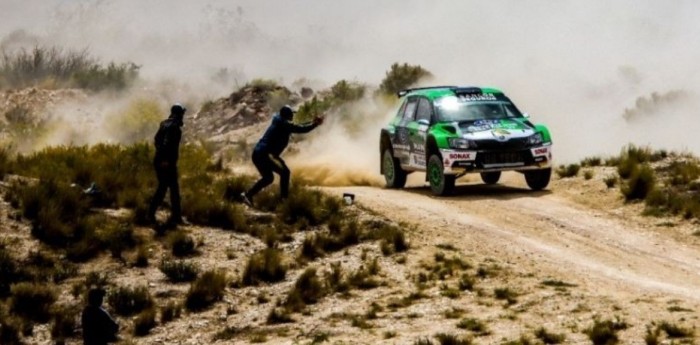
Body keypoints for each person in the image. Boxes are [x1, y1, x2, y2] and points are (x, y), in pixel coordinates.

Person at [241, 105, 324, 206]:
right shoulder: (284, 124)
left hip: (259, 153)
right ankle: (284, 201)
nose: (292, 116)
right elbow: (300, 129)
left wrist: (313, 122)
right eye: (291, 114)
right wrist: (315, 124)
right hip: (266, 155)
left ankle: (248, 195)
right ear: (287, 115)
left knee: (268, 178)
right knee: (285, 173)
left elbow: (297, 126)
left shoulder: (280, 122)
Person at [148, 104, 186, 225]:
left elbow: (156, 140)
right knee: (165, 189)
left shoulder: (164, 124)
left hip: (160, 160)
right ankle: (151, 215)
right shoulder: (174, 127)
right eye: (182, 114)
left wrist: (161, 156)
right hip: (166, 162)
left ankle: (175, 217)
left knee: (170, 188)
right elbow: (166, 143)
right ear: (179, 114)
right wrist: (165, 159)